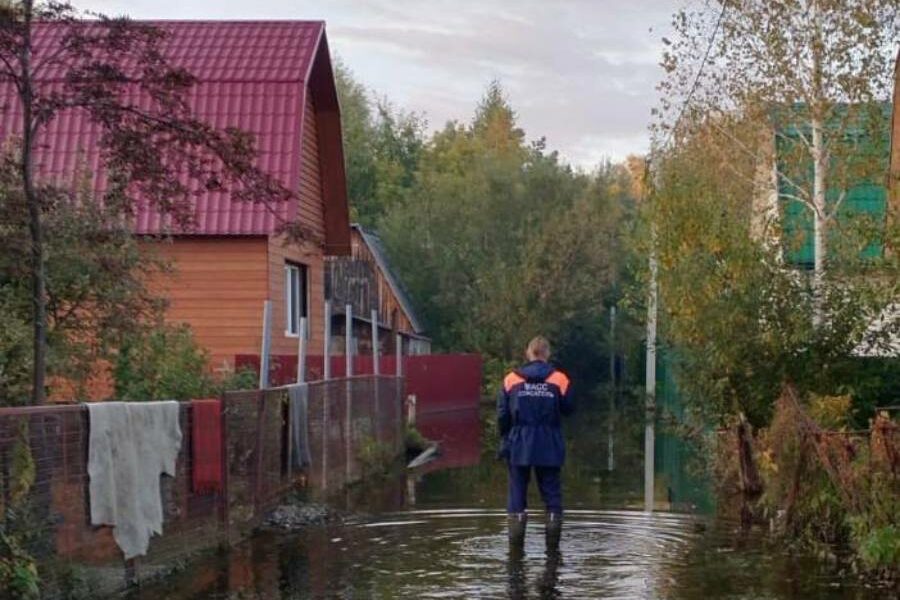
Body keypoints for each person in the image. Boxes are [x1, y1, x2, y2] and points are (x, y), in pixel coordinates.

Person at [497, 336, 574, 549]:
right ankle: (552, 552)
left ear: (528, 353)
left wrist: (505, 439)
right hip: (549, 442)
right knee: (552, 495)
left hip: (519, 443)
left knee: (517, 495)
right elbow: (569, 409)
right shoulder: (560, 379)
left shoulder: (511, 379)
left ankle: (515, 553)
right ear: (547, 354)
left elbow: (503, 415)